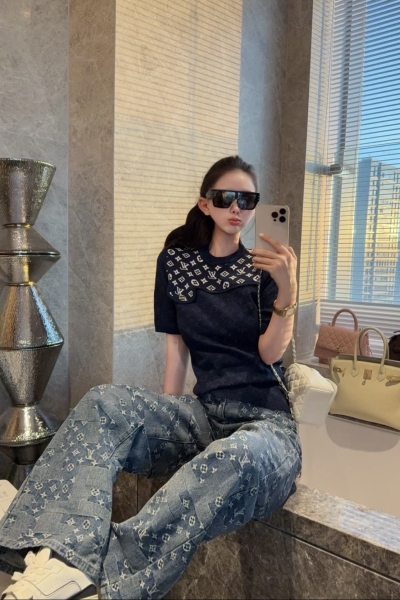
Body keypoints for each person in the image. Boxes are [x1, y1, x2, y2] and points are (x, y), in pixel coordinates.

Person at [0, 155, 301, 600]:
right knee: (104, 402)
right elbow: (176, 353)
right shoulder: (176, 262)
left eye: (248, 199)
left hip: (267, 427)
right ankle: (61, 556)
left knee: (239, 454)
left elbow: (270, 354)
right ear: (205, 203)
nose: (237, 207)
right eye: (225, 197)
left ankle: (99, 579)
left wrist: (288, 290)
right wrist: (166, 413)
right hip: (206, 416)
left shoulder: (265, 269)